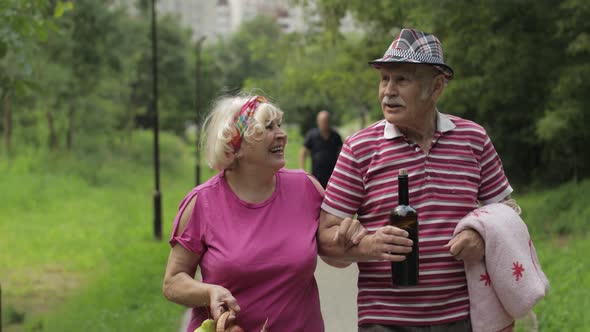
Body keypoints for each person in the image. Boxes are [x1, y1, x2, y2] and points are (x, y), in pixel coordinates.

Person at [317, 28, 515, 331]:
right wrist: (367, 245)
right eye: (384, 78)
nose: (388, 91)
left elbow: (508, 212)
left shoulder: (473, 139)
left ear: (435, 87)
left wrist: (483, 238)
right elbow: (325, 237)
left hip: (463, 318)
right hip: (385, 322)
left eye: (402, 79)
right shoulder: (359, 148)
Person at [162, 95, 361, 331]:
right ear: (236, 144)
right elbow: (173, 282)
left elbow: (335, 258)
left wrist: (348, 240)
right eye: (268, 127)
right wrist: (209, 292)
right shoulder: (202, 203)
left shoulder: (306, 188)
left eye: (279, 125)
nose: (281, 134)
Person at [299, 110, 343, 188]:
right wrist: (303, 170)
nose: (324, 124)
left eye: (326, 121)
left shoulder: (336, 136)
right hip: (316, 175)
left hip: (332, 176)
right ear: (318, 122)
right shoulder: (312, 135)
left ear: (329, 121)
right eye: (322, 121)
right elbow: (303, 152)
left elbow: (341, 154)